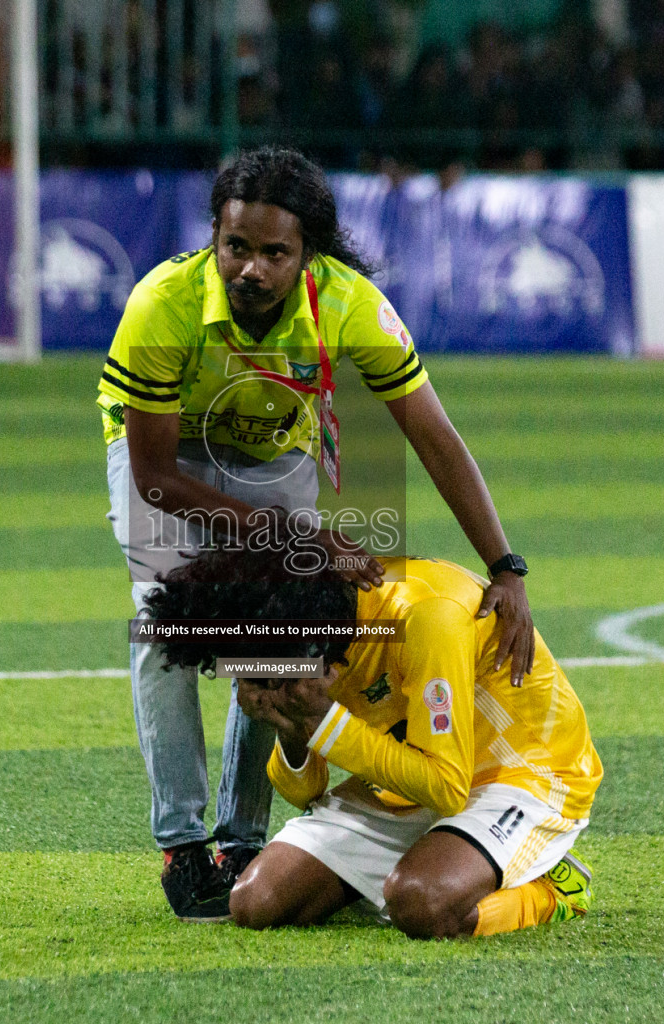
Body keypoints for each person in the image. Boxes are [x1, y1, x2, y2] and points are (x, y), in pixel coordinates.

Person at [99, 146, 536, 921]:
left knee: (279, 622)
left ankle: (240, 839)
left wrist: (504, 564)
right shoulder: (160, 304)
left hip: (273, 445)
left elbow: (434, 437)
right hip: (171, 454)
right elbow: (156, 480)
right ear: (214, 237)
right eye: (237, 247)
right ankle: (182, 843)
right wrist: (296, 540)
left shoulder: (351, 304)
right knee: (166, 614)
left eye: (276, 253)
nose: (252, 269)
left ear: (309, 256)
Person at [144, 545, 601, 938]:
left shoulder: (427, 616)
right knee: (255, 902)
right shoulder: (309, 634)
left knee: (422, 903)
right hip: (412, 777)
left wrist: (325, 720)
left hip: (523, 773)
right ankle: (448, 854)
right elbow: (307, 792)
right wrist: (290, 723)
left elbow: (447, 788)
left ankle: (551, 888)